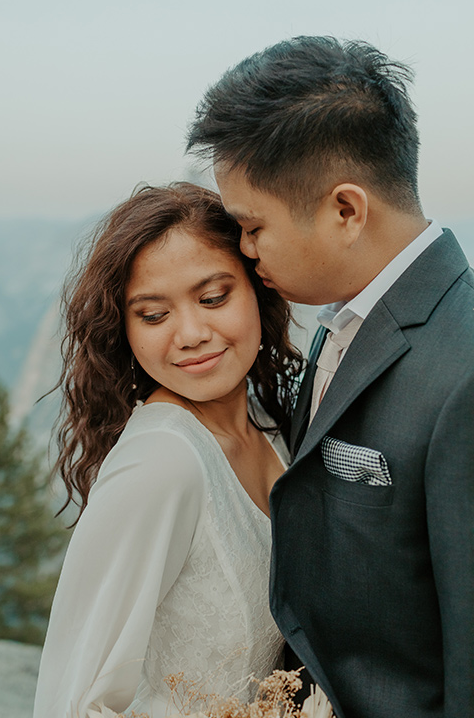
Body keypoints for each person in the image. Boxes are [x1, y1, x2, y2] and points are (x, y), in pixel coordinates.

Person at [187, 36, 474, 718]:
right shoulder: (336, 322)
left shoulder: (463, 372)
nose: (245, 251)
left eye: (252, 227)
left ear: (346, 210)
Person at [33, 182, 303, 718]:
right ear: (125, 332)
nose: (191, 333)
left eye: (213, 298)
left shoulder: (273, 426)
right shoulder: (162, 462)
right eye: (154, 315)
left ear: (257, 289)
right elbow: (70, 701)